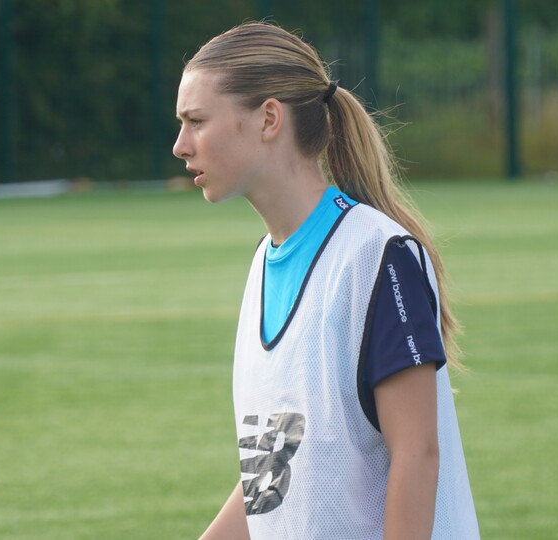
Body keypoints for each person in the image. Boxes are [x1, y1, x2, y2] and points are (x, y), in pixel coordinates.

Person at [172, 22, 479, 540]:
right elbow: (273, 465)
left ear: (269, 118)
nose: (181, 145)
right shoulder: (263, 265)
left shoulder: (374, 254)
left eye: (196, 121)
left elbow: (418, 453)